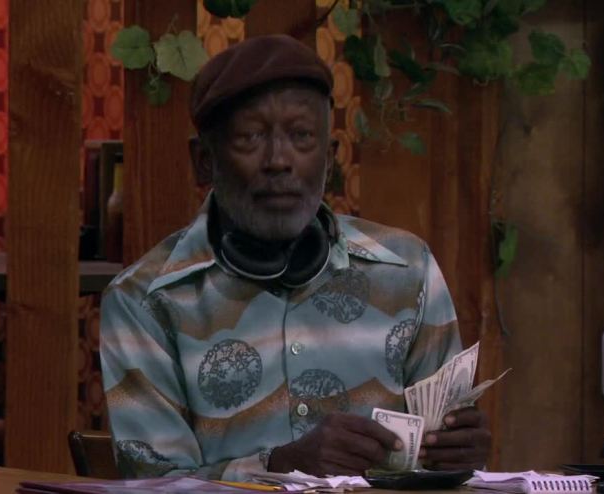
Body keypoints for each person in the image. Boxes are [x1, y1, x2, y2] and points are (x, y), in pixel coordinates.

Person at [100, 34, 490, 481]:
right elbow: (154, 488)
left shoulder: (409, 271)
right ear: (204, 160)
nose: (279, 160)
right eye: (250, 137)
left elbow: (443, 456)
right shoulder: (142, 301)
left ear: (330, 157)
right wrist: (279, 467)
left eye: (302, 136)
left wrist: (460, 457)